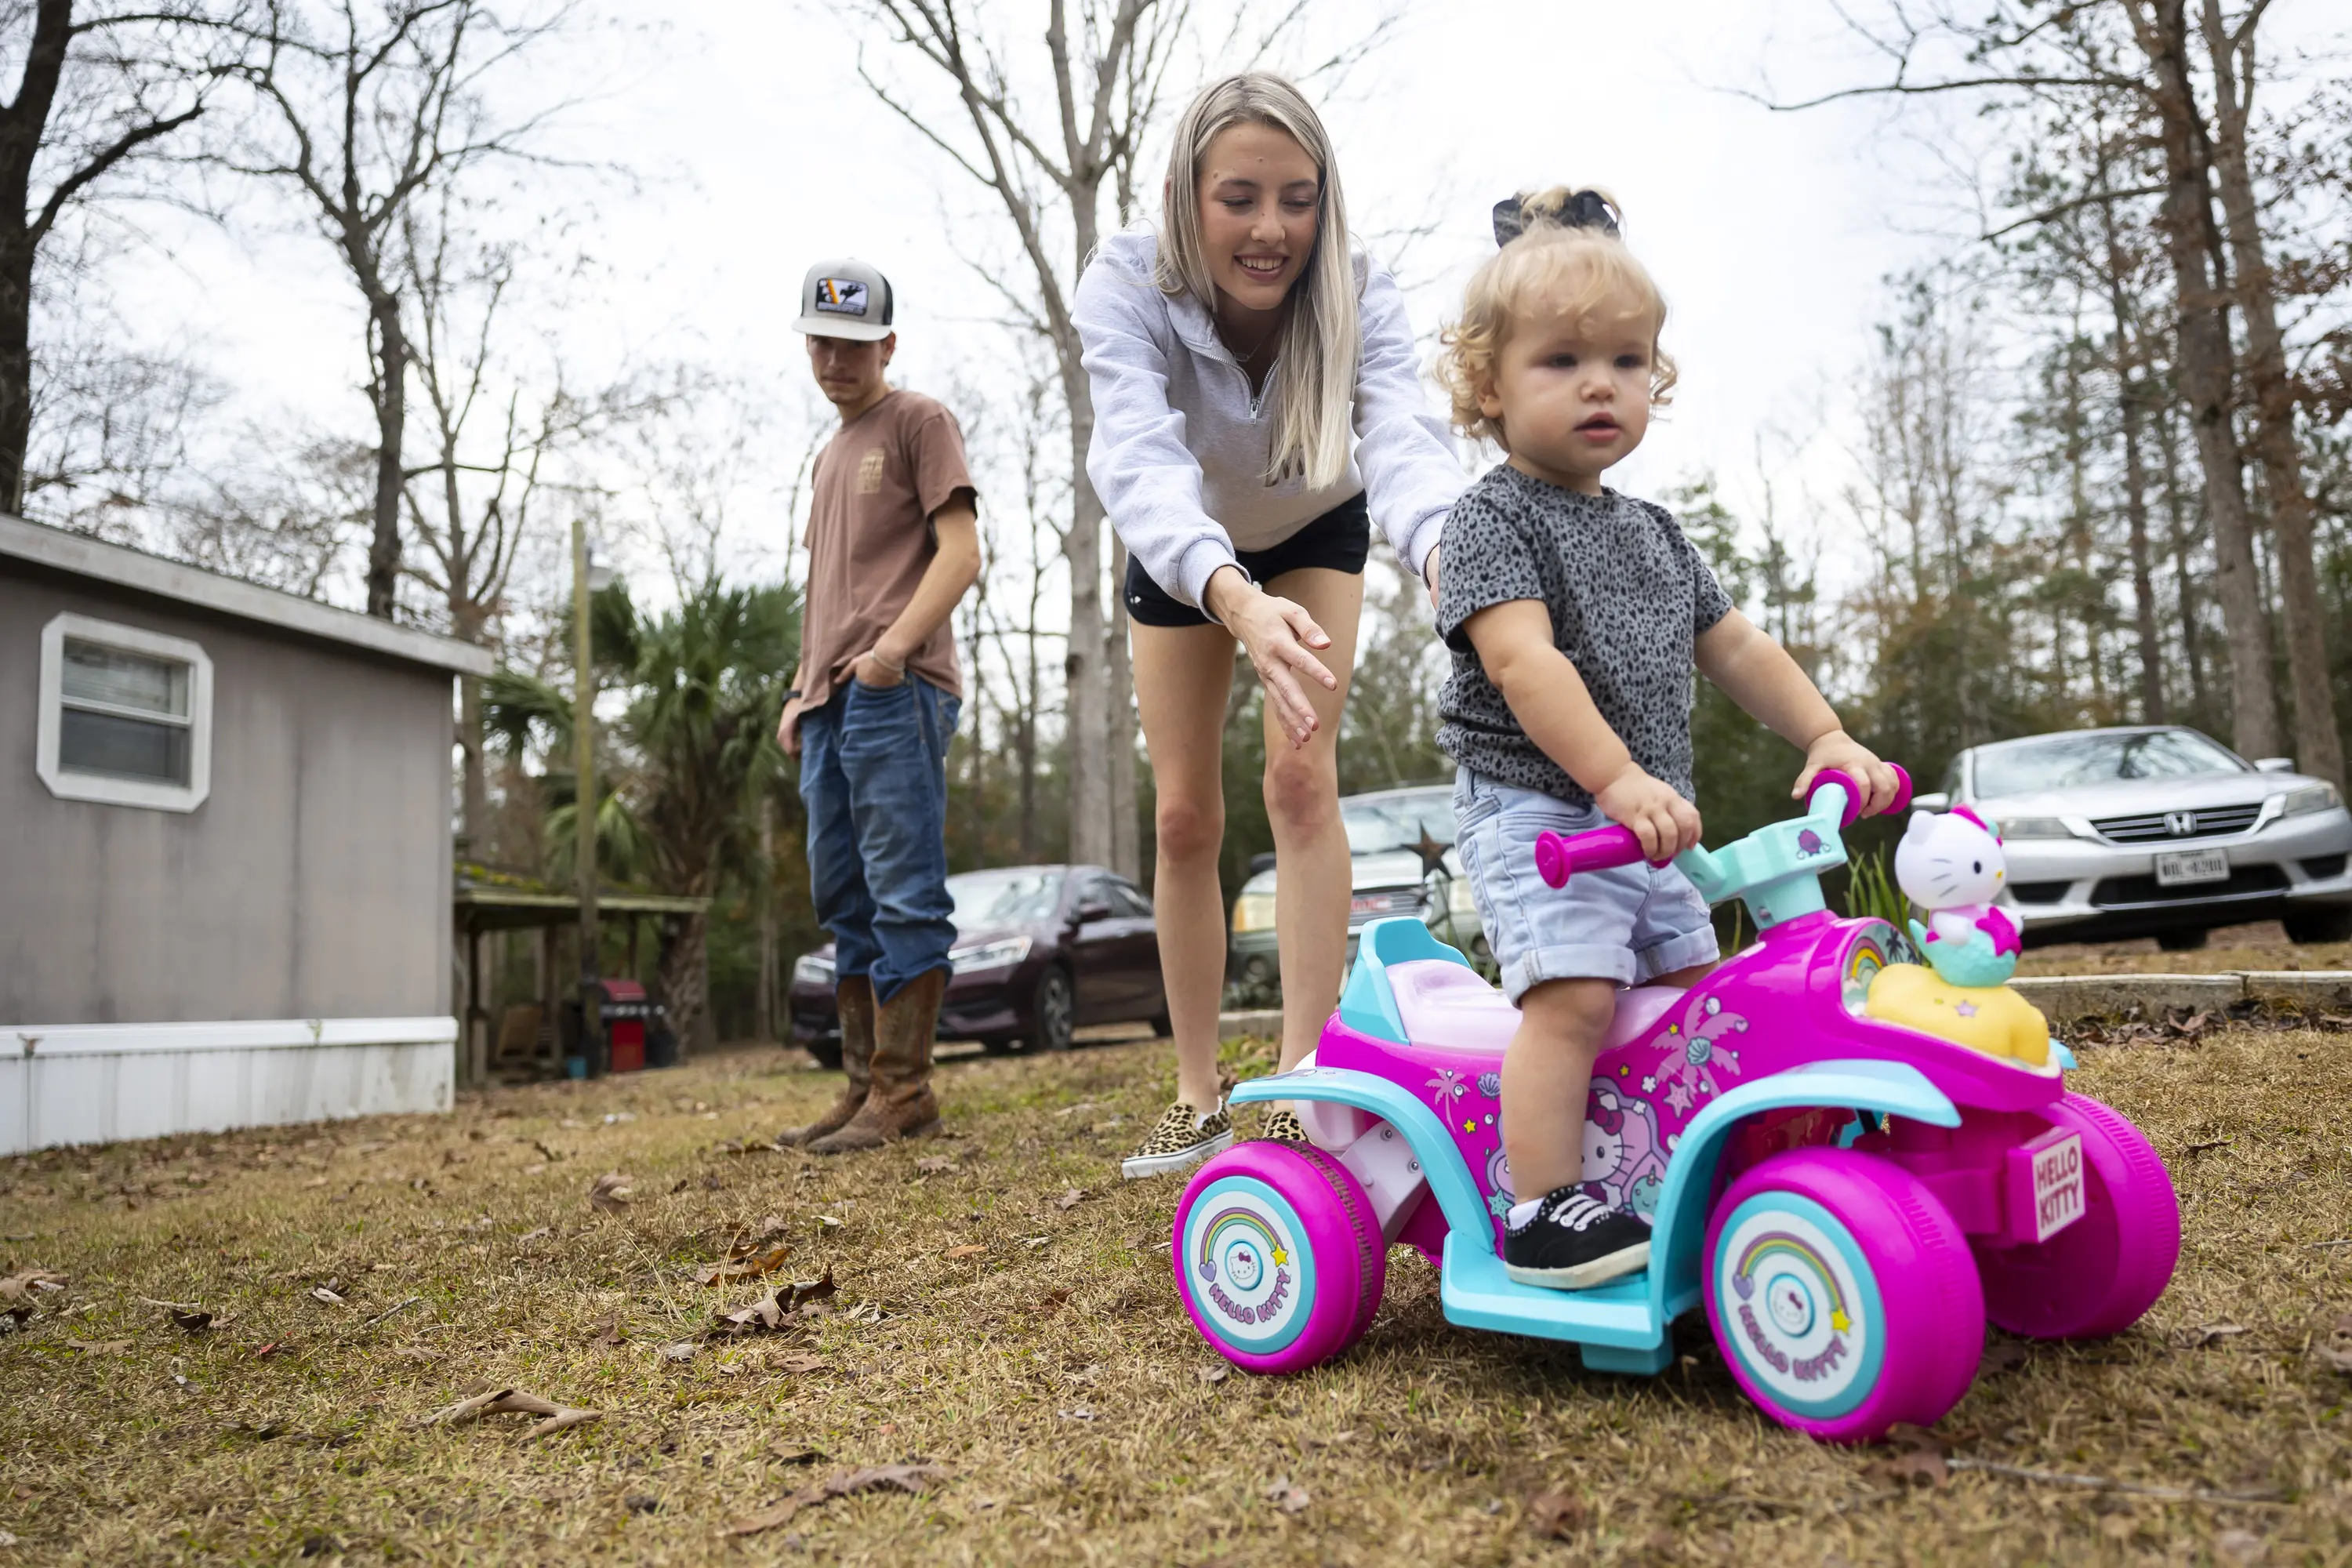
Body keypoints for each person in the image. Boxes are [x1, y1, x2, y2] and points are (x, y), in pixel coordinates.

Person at [1432, 188, 1900, 1287]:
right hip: (1543, 814)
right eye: (1562, 361)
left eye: (1628, 361)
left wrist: (1827, 734)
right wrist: (1614, 779)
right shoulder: (1490, 520)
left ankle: (1678, 1168)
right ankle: (1542, 1204)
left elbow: (1735, 647)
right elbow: (1524, 665)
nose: (1602, 383)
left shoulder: (1653, 532)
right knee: (1578, 995)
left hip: (1643, 820)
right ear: (1490, 388)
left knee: (1699, 996)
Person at [1074, 72, 1468, 1181]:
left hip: (1312, 520)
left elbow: (1401, 436)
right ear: (1186, 196)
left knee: (1300, 781)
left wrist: (1447, 555)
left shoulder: (1357, 289)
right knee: (1186, 817)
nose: (1270, 229)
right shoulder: (1124, 282)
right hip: (1186, 544)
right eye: (1239, 197)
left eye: (1297, 198)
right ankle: (1199, 1093)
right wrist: (1229, 593)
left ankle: (1300, 1079)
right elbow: (1139, 458)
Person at [775, 256, 982, 1154]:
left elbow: (961, 552)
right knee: (844, 898)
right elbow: (827, 588)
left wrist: (894, 653)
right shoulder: (828, 454)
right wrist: (800, 689)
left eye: (854, 343)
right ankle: (863, 1087)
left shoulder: (918, 421)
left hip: (894, 692)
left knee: (902, 892)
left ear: (887, 343)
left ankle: (905, 1090)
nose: (835, 358)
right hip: (827, 701)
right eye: (821, 340)